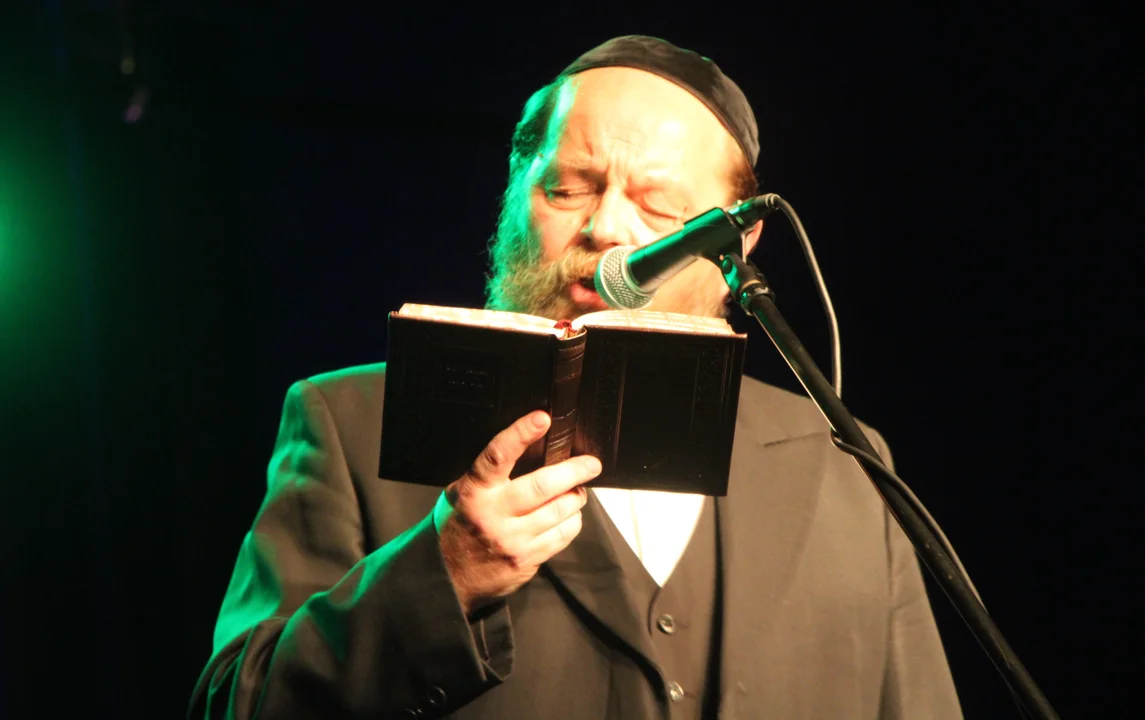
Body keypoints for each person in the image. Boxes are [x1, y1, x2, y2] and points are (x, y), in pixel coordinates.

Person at [188, 36, 962, 719]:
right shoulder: (351, 420)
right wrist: (442, 576)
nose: (606, 229)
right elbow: (235, 706)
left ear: (739, 241)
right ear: (515, 194)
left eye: (658, 207)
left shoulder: (842, 462)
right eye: (567, 188)